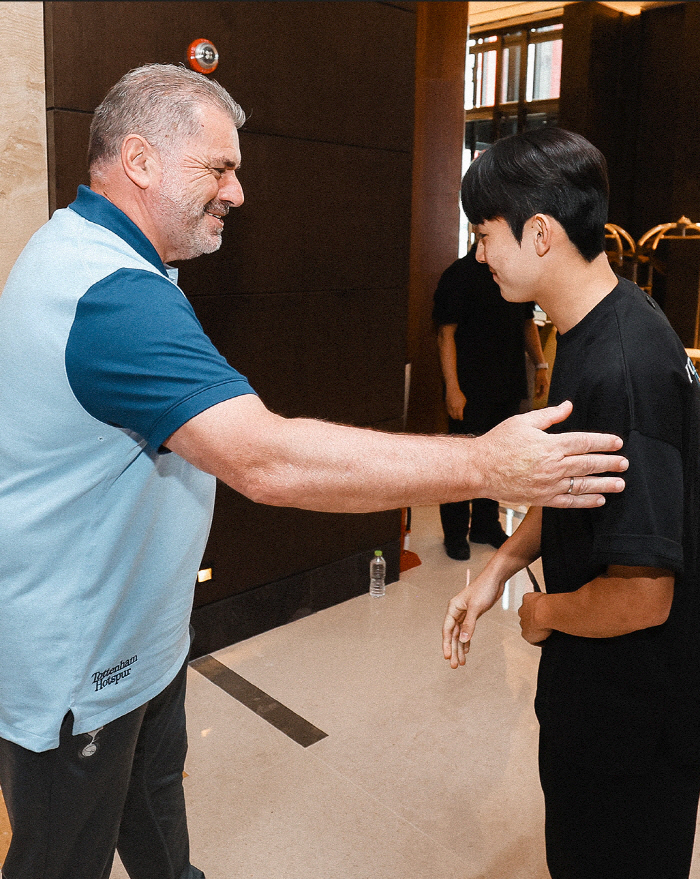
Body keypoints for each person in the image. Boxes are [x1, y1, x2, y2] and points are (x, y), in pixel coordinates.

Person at [0, 65, 627, 879]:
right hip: (83, 666)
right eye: (219, 168)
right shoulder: (110, 294)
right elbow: (264, 458)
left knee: (160, 840)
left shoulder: (109, 256)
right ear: (141, 159)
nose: (237, 191)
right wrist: (481, 459)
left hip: (143, 649)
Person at [443, 127, 700, 879]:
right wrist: (500, 568)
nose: (481, 254)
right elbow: (576, 485)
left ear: (542, 233)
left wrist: (545, 611)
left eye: (487, 234)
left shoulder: (624, 366)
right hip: (601, 704)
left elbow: (646, 594)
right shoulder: (597, 327)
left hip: (635, 722)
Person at [433, 241, 550, 559]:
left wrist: (540, 365)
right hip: (470, 387)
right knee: (461, 462)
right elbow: (446, 335)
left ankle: (486, 525)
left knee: (500, 460)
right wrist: (452, 388)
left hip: (507, 384)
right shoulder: (458, 275)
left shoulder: (514, 272)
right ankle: (456, 533)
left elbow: (527, 322)